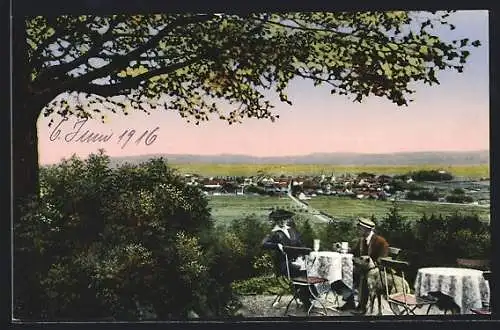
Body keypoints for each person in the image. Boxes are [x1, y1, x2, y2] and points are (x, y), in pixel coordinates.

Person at [334, 217, 389, 314]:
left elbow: (383, 257)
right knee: (340, 274)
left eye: (360, 229)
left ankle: (362, 308)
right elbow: (353, 253)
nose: (358, 230)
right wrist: (342, 250)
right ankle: (349, 301)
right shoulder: (361, 240)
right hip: (361, 269)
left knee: (363, 277)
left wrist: (373, 265)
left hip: (374, 271)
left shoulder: (380, 241)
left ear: (367, 230)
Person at [261, 209, 313, 310]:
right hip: (283, 263)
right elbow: (263, 244)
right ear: (276, 221)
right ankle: (305, 299)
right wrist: (277, 245)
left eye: (284, 219)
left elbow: (301, 245)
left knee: (312, 268)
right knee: (302, 271)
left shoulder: (292, 230)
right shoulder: (274, 233)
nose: (282, 222)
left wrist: (303, 255)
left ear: (287, 219)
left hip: (297, 260)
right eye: (279, 220)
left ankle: (309, 296)